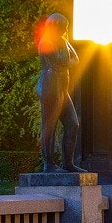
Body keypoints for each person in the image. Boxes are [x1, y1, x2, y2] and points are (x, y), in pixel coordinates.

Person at [36, 13, 80, 173]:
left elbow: (76, 60)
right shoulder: (46, 41)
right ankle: (49, 164)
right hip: (50, 86)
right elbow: (61, 60)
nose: (65, 31)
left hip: (62, 87)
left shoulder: (63, 41)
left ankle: (68, 163)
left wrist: (66, 61)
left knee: (73, 124)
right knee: (50, 125)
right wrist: (67, 61)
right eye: (64, 28)